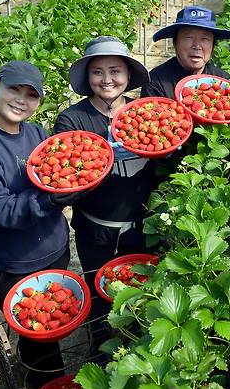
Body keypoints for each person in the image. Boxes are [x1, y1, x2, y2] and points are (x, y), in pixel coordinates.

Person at [0, 60, 74, 388]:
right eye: (14, 89)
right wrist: (49, 201)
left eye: (31, 94)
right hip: (13, 262)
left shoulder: (36, 133)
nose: (21, 99)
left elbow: (56, 175)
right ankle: (47, 382)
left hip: (53, 250)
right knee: (39, 338)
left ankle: (47, 373)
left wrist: (73, 186)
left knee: (49, 328)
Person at [53, 36, 154, 349]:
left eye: (115, 71)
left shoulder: (146, 114)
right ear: (87, 77)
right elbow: (62, 185)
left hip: (140, 225)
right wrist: (97, 162)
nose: (107, 79)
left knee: (138, 289)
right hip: (95, 227)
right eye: (98, 72)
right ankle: (99, 348)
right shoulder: (72, 119)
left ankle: (134, 346)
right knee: (98, 290)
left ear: (127, 75)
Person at [141, 5, 230, 98]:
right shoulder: (156, 83)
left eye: (204, 39)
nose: (197, 46)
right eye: (188, 38)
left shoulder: (224, 82)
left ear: (213, 46)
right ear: (175, 43)